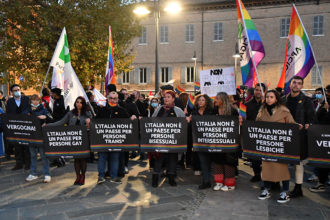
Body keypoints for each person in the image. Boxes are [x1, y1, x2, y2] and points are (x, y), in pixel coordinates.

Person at [257, 90, 297, 203]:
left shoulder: (284, 111)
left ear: (276, 99)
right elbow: (256, 125)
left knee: (282, 169)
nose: (269, 99)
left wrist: (297, 126)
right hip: (267, 145)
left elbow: (291, 125)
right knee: (266, 167)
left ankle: (285, 191)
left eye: (271, 97)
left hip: (281, 146)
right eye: (267, 97)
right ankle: (266, 189)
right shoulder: (261, 111)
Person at [281, 76, 315, 198]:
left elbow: (312, 119)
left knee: (298, 163)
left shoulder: (307, 100)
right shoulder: (283, 99)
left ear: (301, 86)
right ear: (290, 84)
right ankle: (279, 184)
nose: (296, 85)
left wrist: (308, 125)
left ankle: (298, 188)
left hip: (300, 137)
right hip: (284, 135)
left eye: (299, 83)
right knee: (282, 161)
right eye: (294, 82)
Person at [47, 97, 92, 185]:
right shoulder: (71, 113)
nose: (78, 104)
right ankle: (77, 176)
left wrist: (89, 124)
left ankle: (83, 176)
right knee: (76, 159)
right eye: (77, 102)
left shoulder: (87, 113)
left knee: (82, 159)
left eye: (81, 102)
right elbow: (61, 122)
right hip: (74, 140)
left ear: (83, 104)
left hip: (84, 139)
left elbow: (93, 125)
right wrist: (48, 125)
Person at [151, 90, 186, 187]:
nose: (166, 99)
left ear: (173, 99)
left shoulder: (178, 110)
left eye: (168, 97)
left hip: (174, 141)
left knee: (172, 159)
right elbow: (152, 122)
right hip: (160, 139)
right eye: (165, 97)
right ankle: (155, 178)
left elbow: (182, 126)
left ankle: (171, 178)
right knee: (159, 159)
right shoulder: (158, 109)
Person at [96, 91, 130, 184]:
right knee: (102, 157)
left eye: (114, 98)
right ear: (107, 99)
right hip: (103, 140)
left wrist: (133, 119)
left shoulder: (122, 111)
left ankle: (114, 177)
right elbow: (95, 123)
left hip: (117, 140)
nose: (112, 100)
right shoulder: (101, 110)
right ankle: (101, 176)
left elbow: (128, 124)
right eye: (111, 98)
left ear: (118, 100)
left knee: (115, 158)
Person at [212, 92, 239, 191]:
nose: (215, 101)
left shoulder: (232, 111)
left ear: (223, 100)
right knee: (217, 161)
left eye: (217, 99)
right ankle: (219, 182)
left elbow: (236, 125)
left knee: (228, 162)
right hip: (216, 140)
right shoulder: (214, 110)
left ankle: (230, 184)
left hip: (229, 141)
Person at [188, 94, 214, 189]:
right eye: (199, 100)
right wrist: (189, 120)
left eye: (203, 100)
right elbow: (191, 127)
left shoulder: (211, 112)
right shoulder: (194, 113)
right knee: (203, 161)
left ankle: (214, 179)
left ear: (206, 102)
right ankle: (206, 181)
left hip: (211, 141)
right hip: (199, 141)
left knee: (210, 162)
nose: (200, 102)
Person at [24, 95, 52, 183]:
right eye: (33, 100)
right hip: (31, 136)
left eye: (37, 100)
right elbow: (22, 116)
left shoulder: (43, 109)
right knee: (33, 155)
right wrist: (31, 113)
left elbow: (51, 118)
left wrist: (46, 118)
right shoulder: (28, 109)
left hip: (41, 136)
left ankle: (47, 174)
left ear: (39, 101)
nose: (35, 102)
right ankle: (33, 173)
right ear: (30, 101)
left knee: (44, 156)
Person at [309, 85, 330, 192]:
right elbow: (316, 117)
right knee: (323, 162)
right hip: (323, 136)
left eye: (328, 92)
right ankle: (321, 183)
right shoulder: (323, 104)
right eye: (326, 91)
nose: (327, 94)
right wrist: (324, 109)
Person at [245, 83, 267, 182]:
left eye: (260, 90)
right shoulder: (247, 104)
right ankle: (257, 174)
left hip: (266, 133)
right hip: (253, 133)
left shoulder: (267, 103)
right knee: (254, 157)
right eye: (257, 90)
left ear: (264, 91)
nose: (258, 92)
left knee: (266, 157)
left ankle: (267, 176)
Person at [6, 84, 31, 170]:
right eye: (15, 90)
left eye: (18, 89)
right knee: (17, 146)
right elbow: (8, 113)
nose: (17, 92)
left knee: (27, 145)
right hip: (15, 127)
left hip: (26, 125)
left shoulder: (26, 99)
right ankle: (19, 163)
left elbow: (30, 109)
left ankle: (28, 164)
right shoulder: (9, 102)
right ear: (12, 92)